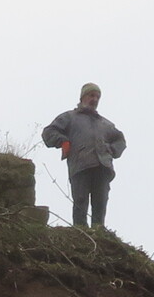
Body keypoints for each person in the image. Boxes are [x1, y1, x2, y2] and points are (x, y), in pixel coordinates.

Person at [42, 82, 126, 229]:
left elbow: (120, 140)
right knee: (80, 200)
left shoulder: (105, 124)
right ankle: (80, 231)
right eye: (91, 95)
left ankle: (98, 232)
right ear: (82, 97)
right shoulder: (69, 117)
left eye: (97, 97)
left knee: (100, 202)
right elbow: (49, 132)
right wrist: (63, 141)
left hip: (103, 166)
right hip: (80, 165)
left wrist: (111, 150)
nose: (95, 99)